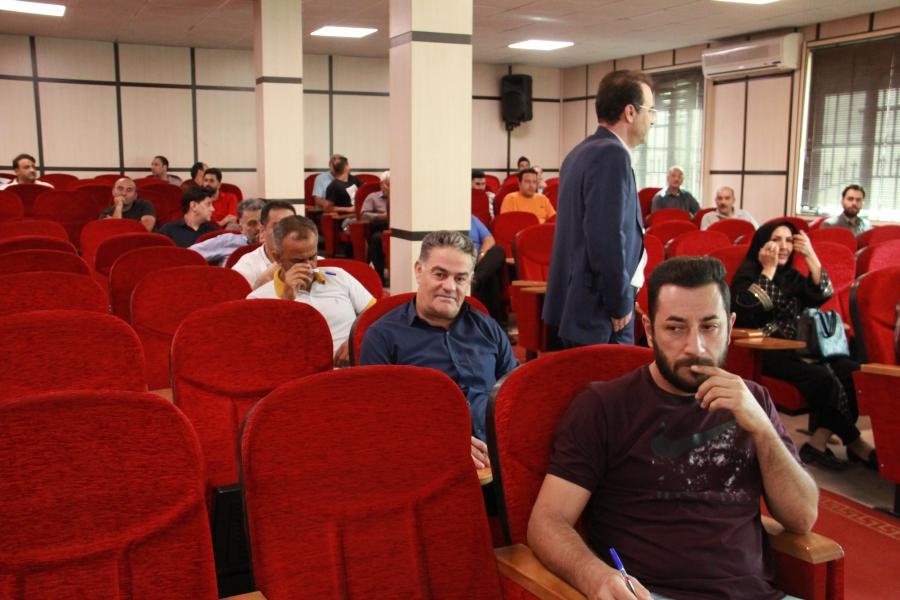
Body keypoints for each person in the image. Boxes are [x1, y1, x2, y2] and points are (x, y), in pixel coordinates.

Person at [529, 256, 817, 600]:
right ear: (649, 331)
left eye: (709, 327)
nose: (695, 347)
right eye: (675, 328)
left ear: (730, 327)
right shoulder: (605, 406)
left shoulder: (754, 400)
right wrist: (596, 577)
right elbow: (547, 522)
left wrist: (763, 430)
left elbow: (802, 518)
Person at [359, 230, 518, 468]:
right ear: (419, 270)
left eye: (460, 278)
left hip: (498, 455)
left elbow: (513, 391)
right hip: (425, 461)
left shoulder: (487, 328)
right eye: (440, 274)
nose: (449, 287)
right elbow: (378, 417)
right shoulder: (382, 337)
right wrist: (445, 441)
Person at [731, 221, 877, 471]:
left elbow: (822, 294)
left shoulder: (791, 276)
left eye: (789, 241)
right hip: (765, 351)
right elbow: (746, 308)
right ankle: (855, 443)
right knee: (823, 378)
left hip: (802, 347)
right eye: (776, 240)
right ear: (761, 244)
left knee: (853, 372)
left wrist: (810, 256)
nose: (783, 246)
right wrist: (768, 269)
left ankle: (818, 443)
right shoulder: (748, 273)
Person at [543, 70, 653, 347]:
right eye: (650, 110)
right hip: (600, 311)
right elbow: (606, 239)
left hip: (579, 304)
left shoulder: (579, 152)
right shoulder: (611, 155)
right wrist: (619, 303)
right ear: (630, 112)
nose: (652, 119)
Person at [248, 215, 374, 366]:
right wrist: (286, 300)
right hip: (298, 372)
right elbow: (266, 351)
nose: (309, 266)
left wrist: (357, 338)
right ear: (277, 258)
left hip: (351, 367)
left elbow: (375, 314)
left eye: (312, 257)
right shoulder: (257, 299)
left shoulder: (338, 276)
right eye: (298, 260)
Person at [231, 200, 296, 289]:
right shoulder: (246, 267)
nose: (285, 232)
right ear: (262, 231)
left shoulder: (311, 260)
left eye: (291, 226)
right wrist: (263, 282)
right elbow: (239, 297)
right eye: (277, 227)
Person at [190, 198, 265, 265]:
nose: (259, 228)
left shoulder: (271, 246)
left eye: (263, 222)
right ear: (241, 227)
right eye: (252, 223)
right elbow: (188, 254)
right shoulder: (228, 241)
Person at [470, 215, 506, 326]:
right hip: (460, 261)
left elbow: (489, 239)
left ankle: (475, 281)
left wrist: (482, 254)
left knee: (498, 250)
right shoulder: (446, 218)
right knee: (491, 278)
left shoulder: (472, 219)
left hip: (479, 262)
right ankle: (498, 326)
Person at [360, 171, 390, 284]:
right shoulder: (373, 197)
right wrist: (381, 216)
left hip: (398, 229)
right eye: (388, 184)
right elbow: (364, 215)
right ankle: (379, 276)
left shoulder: (400, 197)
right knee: (377, 239)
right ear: (382, 184)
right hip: (380, 228)